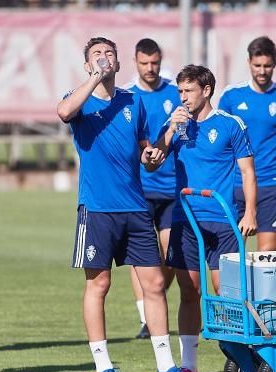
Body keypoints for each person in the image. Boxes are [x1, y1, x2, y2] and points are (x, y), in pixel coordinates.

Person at [57, 36, 200, 372]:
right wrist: (93, 79)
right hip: (98, 208)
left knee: (154, 283)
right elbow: (63, 113)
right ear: (88, 65)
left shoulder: (133, 103)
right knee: (99, 283)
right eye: (97, 56)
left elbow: (145, 154)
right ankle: (103, 368)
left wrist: (151, 156)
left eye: (110, 55)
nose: (105, 60)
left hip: (135, 206)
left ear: (119, 63)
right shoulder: (78, 99)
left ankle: (166, 366)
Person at [165, 64, 257, 372]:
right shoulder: (175, 125)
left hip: (222, 221)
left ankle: (243, 353)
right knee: (189, 291)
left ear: (206, 91)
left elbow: (247, 171)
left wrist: (251, 212)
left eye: (188, 90)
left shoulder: (230, 125)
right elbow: (152, 162)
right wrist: (168, 131)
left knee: (227, 292)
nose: (183, 97)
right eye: (180, 91)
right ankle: (188, 364)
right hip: (185, 219)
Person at [219, 36, 276, 251]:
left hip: (270, 185)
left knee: (266, 260)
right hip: (235, 185)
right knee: (231, 256)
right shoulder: (231, 96)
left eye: (267, 66)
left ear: (275, 64)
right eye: (257, 65)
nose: (262, 71)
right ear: (249, 62)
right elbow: (219, 141)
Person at [125, 38, 181, 340]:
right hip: (139, 189)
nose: (150, 68)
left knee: (169, 255)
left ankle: (154, 297)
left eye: (155, 63)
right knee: (143, 257)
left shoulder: (175, 92)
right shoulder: (128, 96)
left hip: (172, 189)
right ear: (135, 62)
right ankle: (146, 317)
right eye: (144, 63)